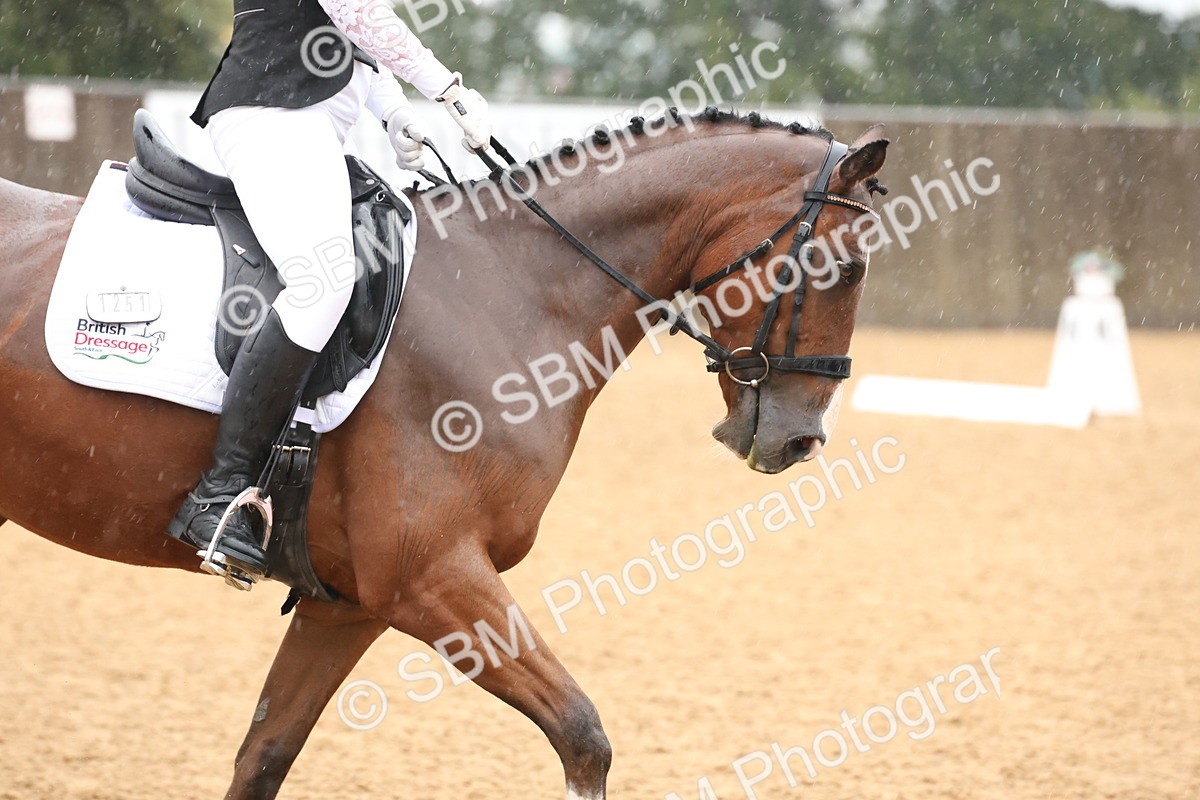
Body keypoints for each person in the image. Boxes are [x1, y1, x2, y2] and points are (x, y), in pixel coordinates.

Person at [166, 0, 492, 581]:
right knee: (324, 281)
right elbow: (359, 14)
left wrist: (392, 112)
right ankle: (219, 493)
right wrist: (446, 88)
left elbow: (354, 43)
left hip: (305, 121)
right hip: (269, 113)